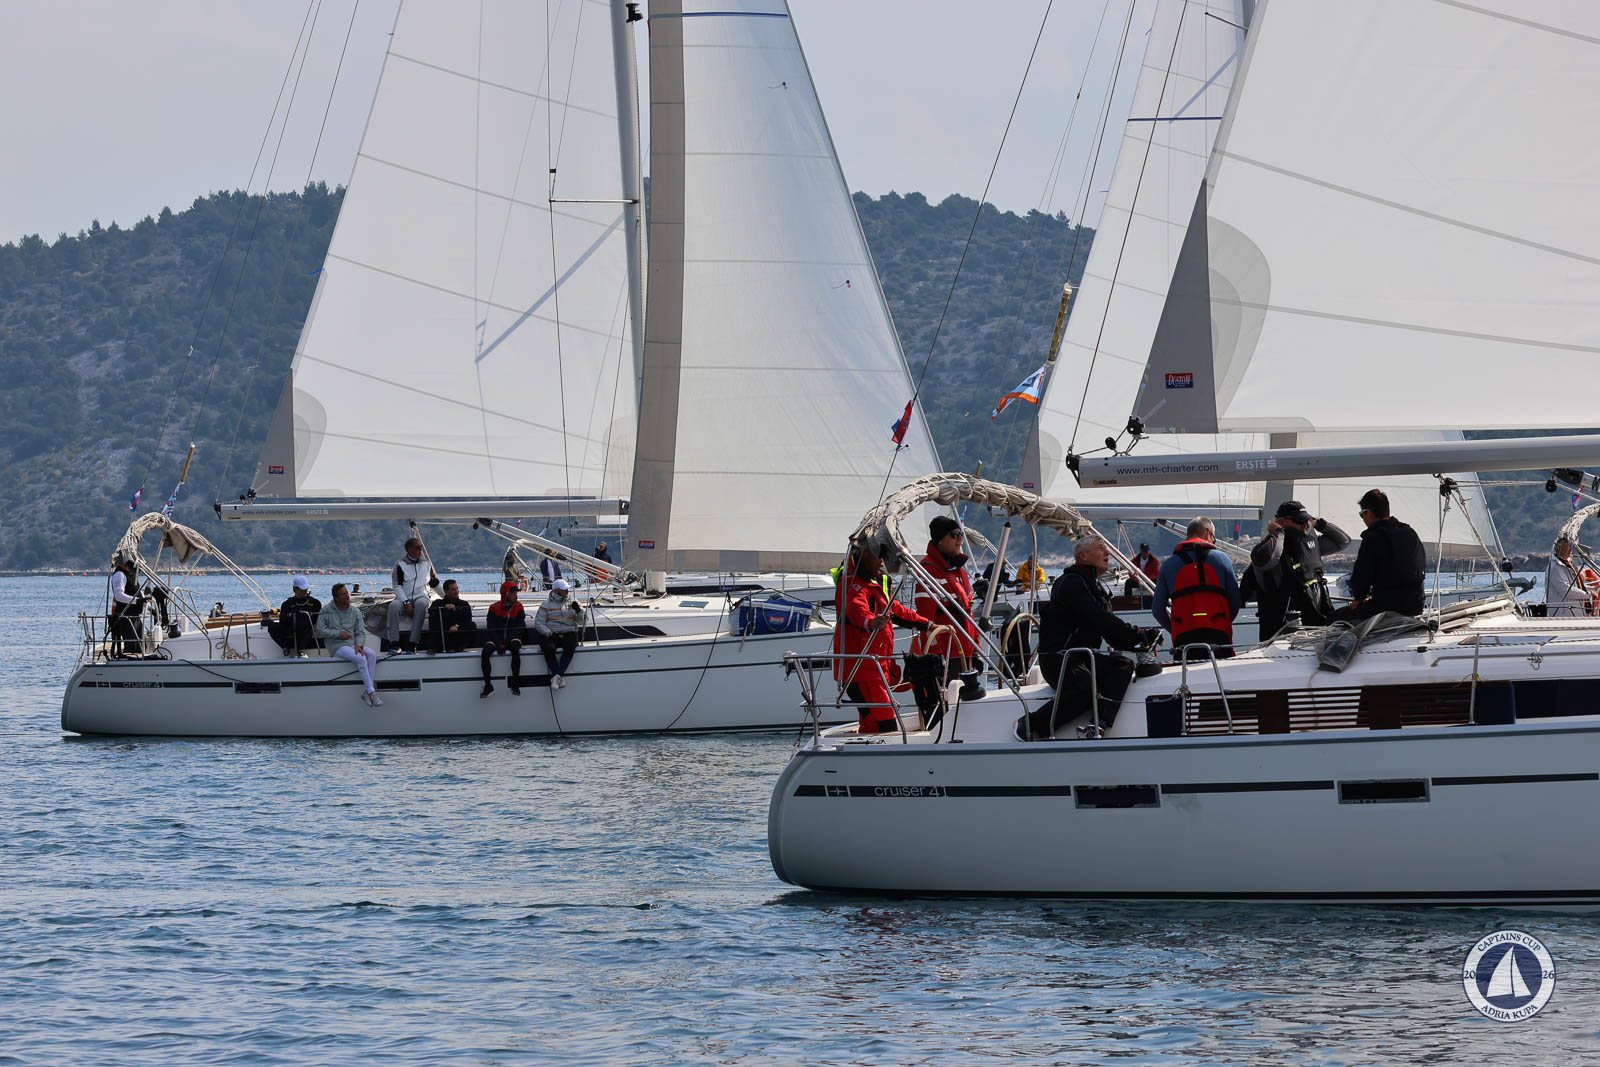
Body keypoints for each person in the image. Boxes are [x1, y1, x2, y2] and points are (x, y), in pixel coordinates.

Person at [1030, 535, 1158, 739]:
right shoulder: (1071, 582)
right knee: (1086, 687)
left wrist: (1142, 639)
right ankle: (1031, 725)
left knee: (1123, 665)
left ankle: (1099, 724)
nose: (1107, 553)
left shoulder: (1093, 586)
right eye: (1100, 548)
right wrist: (1136, 634)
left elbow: (1111, 634)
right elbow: (1100, 618)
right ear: (1083, 555)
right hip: (1059, 659)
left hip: (1081, 657)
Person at [833, 545, 930, 734]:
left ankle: (865, 745)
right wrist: (871, 621)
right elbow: (857, 610)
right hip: (862, 671)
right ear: (862, 554)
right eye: (877, 556)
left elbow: (896, 610)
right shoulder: (852, 584)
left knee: (873, 724)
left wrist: (928, 624)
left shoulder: (872, 582)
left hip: (874, 669)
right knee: (886, 724)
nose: (881, 562)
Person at [1250, 500, 1351, 639]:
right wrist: (1278, 532)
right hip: (1284, 628)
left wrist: (1318, 523)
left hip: (1314, 622)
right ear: (1281, 521)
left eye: (1306, 521)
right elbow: (1268, 559)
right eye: (1300, 521)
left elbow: (1343, 541)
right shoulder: (1272, 546)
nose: (1305, 525)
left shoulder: (1307, 544)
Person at [1331, 489, 1427, 622]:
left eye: (1362, 514)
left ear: (1369, 513)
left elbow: (1361, 578)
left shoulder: (1373, 538)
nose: (1363, 518)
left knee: (1334, 618)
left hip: (1386, 608)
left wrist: (1360, 597)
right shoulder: (1410, 532)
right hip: (1416, 605)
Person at [1152, 518, 1241, 658]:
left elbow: (1157, 610)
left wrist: (1175, 629)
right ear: (1208, 533)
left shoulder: (1167, 565)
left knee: (1186, 671)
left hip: (1183, 637)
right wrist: (1223, 622)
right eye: (1213, 538)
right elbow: (1236, 601)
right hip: (1219, 635)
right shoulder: (1222, 559)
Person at [913, 516, 981, 693]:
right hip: (947, 657)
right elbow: (926, 623)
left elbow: (968, 614)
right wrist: (936, 659)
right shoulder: (927, 573)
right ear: (940, 540)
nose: (960, 540)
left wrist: (976, 650)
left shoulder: (959, 571)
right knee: (950, 704)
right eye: (954, 535)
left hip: (965, 654)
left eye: (961, 534)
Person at [315, 582, 382, 706]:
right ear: (336, 598)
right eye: (343, 594)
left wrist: (359, 645)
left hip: (352, 644)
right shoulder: (326, 610)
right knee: (361, 658)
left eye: (347, 593)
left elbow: (360, 632)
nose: (347, 596)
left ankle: (367, 692)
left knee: (372, 655)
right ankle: (371, 692)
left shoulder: (355, 611)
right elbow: (319, 631)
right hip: (336, 646)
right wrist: (338, 634)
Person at [386, 537, 439, 653]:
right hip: (404, 597)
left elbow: (435, 584)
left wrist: (447, 597)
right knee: (393, 606)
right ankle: (394, 642)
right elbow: (397, 586)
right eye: (418, 547)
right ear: (409, 549)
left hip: (422, 596)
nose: (420, 550)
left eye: (421, 547)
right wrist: (406, 603)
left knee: (421, 604)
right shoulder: (400, 564)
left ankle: (413, 643)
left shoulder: (427, 564)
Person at [533, 578, 585, 689]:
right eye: (564, 589)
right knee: (548, 649)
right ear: (556, 591)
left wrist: (579, 611)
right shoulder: (546, 604)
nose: (567, 591)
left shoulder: (574, 602)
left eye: (567, 589)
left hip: (569, 632)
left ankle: (557, 677)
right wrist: (550, 633)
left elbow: (581, 621)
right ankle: (559, 676)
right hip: (552, 633)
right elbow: (538, 623)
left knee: (570, 647)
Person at [481, 581, 527, 697]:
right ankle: (488, 685)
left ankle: (515, 683)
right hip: (496, 639)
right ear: (505, 594)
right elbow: (491, 628)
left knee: (515, 649)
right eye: (512, 592)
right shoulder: (494, 608)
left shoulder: (519, 607)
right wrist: (498, 643)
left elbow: (521, 626)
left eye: (516, 592)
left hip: (512, 638)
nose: (515, 595)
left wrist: (508, 640)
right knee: (485, 652)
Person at [269, 576, 322, 656]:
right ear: (295, 589)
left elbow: (317, 621)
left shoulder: (315, 603)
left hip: (307, 634)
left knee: (303, 621)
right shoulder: (287, 604)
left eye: (306, 588)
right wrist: (290, 616)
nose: (304, 591)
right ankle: (286, 647)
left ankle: (301, 650)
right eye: (302, 589)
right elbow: (282, 623)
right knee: (272, 626)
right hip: (291, 633)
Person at [1545, 535, 1597, 617]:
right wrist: (1588, 594)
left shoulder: (1567, 564)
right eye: (1568, 546)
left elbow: (1576, 586)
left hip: (1575, 613)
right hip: (1563, 615)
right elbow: (1566, 590)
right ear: (1559, 548)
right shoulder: (1555, 567)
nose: (1570, 549)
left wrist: (1593, 588)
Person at [426, 579, 477, 652]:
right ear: (446, 592)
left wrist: (456, 626)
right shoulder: (438, 603)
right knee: (434, 616)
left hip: (458, 635)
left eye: (457, 588)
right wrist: (444, 607)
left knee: (472, 625)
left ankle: (455, 647)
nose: (456, 591)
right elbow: (430, 610)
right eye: (453, 589)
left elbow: (468, 620)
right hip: (444, 635)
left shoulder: (464, 604)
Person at [107, 557, 144, 658]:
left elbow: (138, 593)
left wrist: (150, 608)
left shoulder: (131, 576)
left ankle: (140, 658)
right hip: (125, 616)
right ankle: (129, 659)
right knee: (132, 646)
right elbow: (119, 596)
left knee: (140, 645)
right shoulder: (119, 574)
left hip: (136, 616)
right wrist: (137, 600)